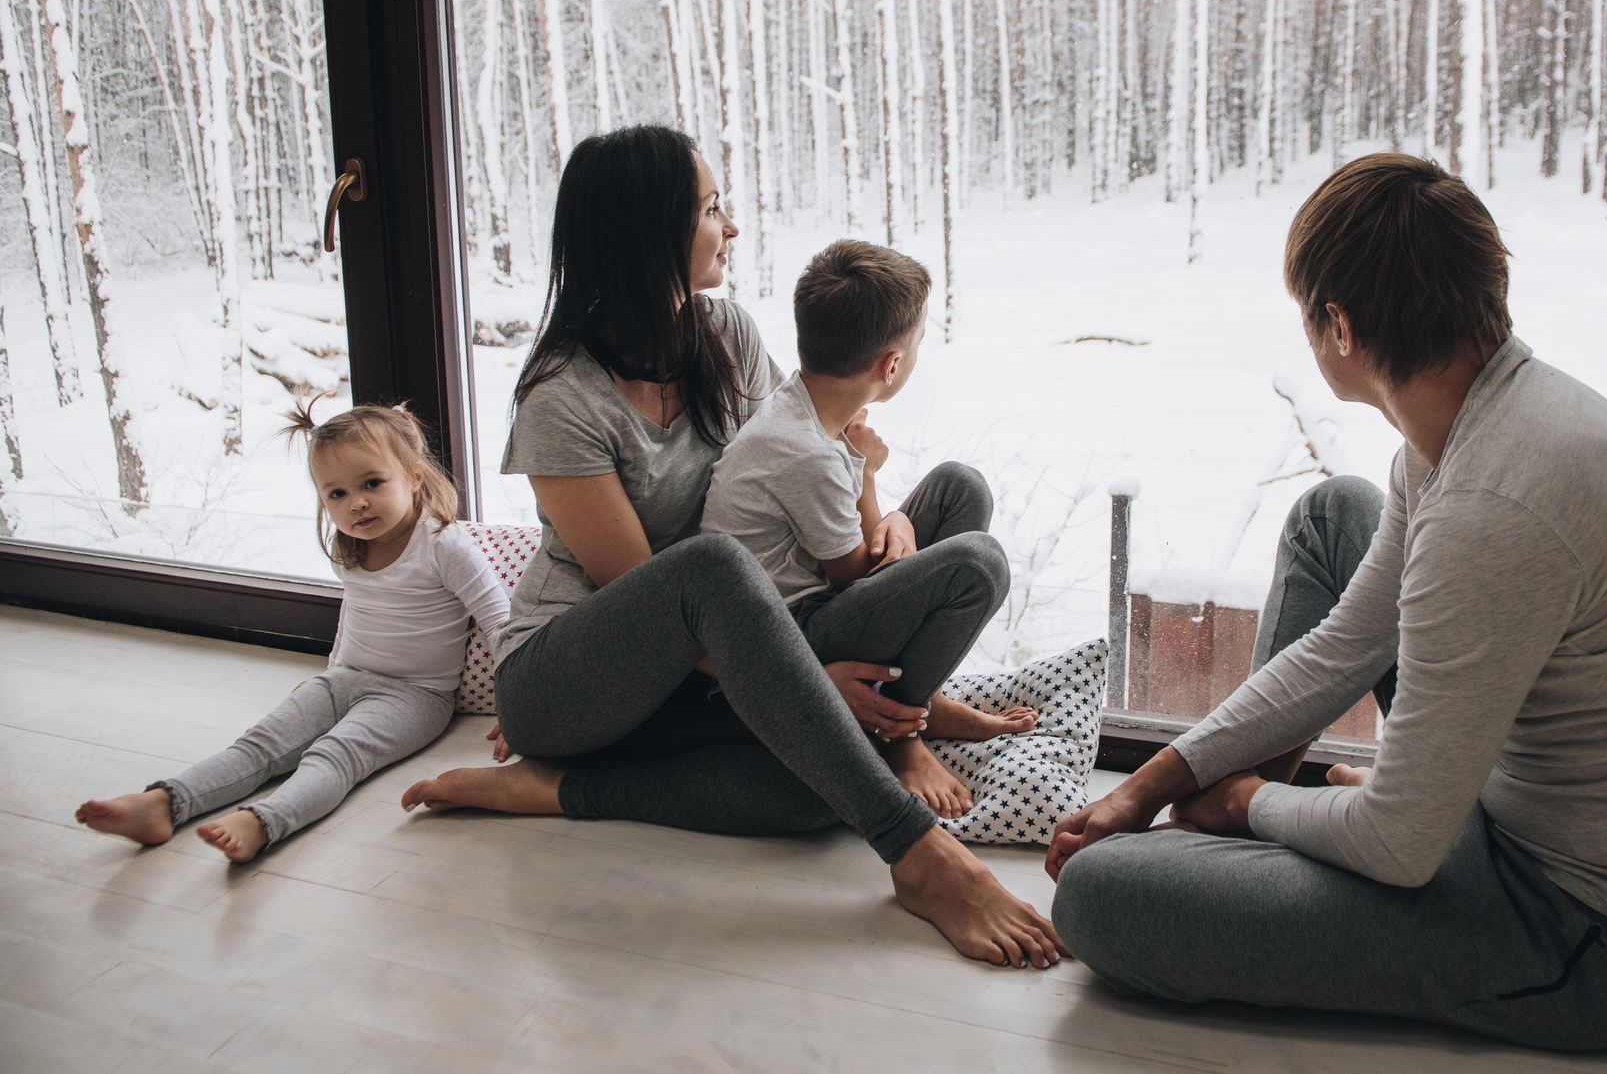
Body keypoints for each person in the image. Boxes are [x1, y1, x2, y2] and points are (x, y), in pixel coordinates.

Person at [1044, 152, 1607, 1050]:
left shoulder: (1491, 509)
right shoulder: (1472, 427)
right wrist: (1160, 781)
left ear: (1340, 327)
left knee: (1100, 898)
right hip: (1523, 813)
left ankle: (1268, 840)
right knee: (1335, 514)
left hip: (1596, 936)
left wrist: (1245, 803)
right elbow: (1345, 644)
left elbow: (1403, 844)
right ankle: (1283, 838)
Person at [400, 125, 1065, 969]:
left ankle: (895, 724)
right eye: (712, 207)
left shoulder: (727, 335)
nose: (733, 225)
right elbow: (660, 597)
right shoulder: (561, 398)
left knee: (815, 786)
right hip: (580, 671)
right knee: (720, 586)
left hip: (734, 635)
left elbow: (789, 470)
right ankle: (918, 854)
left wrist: (882, 516)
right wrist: (808, 682)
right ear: (650, 236)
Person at [75, 403, 507, 863]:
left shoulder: (444, 544)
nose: (356, 503)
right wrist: (330, 675)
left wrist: (517, 705)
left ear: (414, 477)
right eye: (336, 494)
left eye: (372, 484)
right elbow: (354, 616)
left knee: (334, 754)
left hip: (415, 696)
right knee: (259, 745)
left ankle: (263, 821)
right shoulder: (351, 548)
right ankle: (163, 802)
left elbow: (499, 620)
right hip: (344, 680)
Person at [701, 238, 1036, 820]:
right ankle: (900, 732)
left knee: (960, 486)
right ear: (892, 365)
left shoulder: (802, 403)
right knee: (979, 564)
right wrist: (870, 481)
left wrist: (895, 518)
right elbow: (854, 572)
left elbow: (858, 549)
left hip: (816, 597)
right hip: (788, 632)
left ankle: (921, 698)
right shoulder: (805, 452)